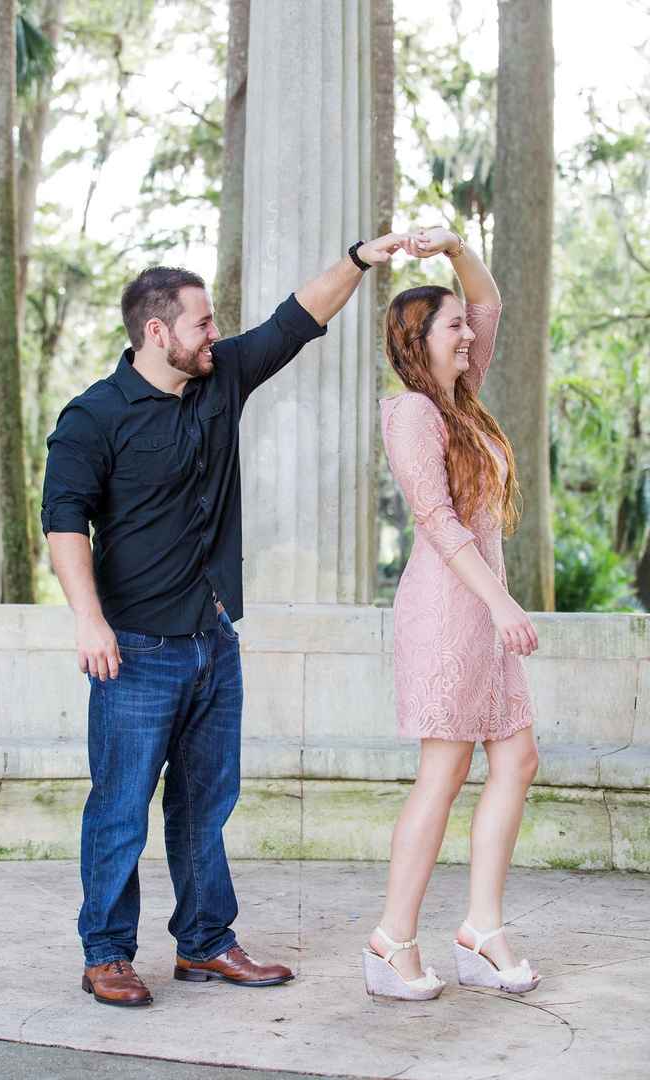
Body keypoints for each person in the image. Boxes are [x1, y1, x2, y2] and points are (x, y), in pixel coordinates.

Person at [42, 233, 411, 1007]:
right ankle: (106, 953)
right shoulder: (93, 417)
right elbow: (64, 520)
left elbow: (296, 319)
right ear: (157, 332)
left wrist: (360, 258)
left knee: (205, 807)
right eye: (202, 322)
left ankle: (205, 943)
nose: (216, 333)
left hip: (214, 640)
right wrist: (88, 620)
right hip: (135, 650)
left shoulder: (220, 378)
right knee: (120, 808)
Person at [363, 226, 541, 1001]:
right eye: (453, 326)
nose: (469, 333)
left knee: (517, 758)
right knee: (445, 770)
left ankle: (481, 930)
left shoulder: (461, 400)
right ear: (420, 340)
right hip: (448, 610)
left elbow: (490, 302)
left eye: (466, 327)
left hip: (484, 609)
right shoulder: (413, 413)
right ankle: (390, 940)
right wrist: (501, 603)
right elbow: (436, 521)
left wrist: (454, 247)